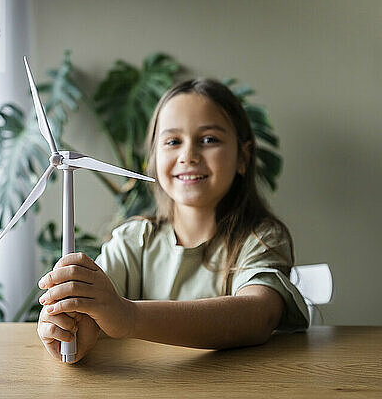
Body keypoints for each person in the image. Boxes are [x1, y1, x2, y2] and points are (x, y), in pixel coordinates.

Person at [36, 78, 310, 363]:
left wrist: (128, 316)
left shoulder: (260, 239)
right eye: (172, 141)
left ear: (243, 157)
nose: (188, 156)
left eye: (209, 140)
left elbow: (257, 315)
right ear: (153, 158)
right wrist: (71, 327)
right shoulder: (134, 240)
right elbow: (92, 313)